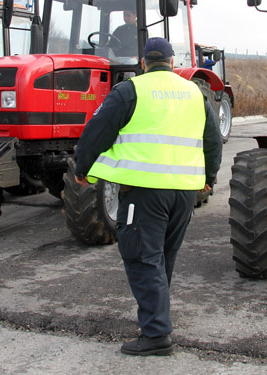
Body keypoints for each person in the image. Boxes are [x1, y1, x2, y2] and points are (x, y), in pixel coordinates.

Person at [74, 37, 222, 356]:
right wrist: (208, 178)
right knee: (162, 257)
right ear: (172, 63)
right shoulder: (194, 93)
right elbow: (213, 141)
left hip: (144, 192)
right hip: (183, 193)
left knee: (142, 256)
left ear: (143, 63)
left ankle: (156, 333)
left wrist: (82, 166)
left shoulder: (131, 90)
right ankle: (157, 320)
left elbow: (97, 130)